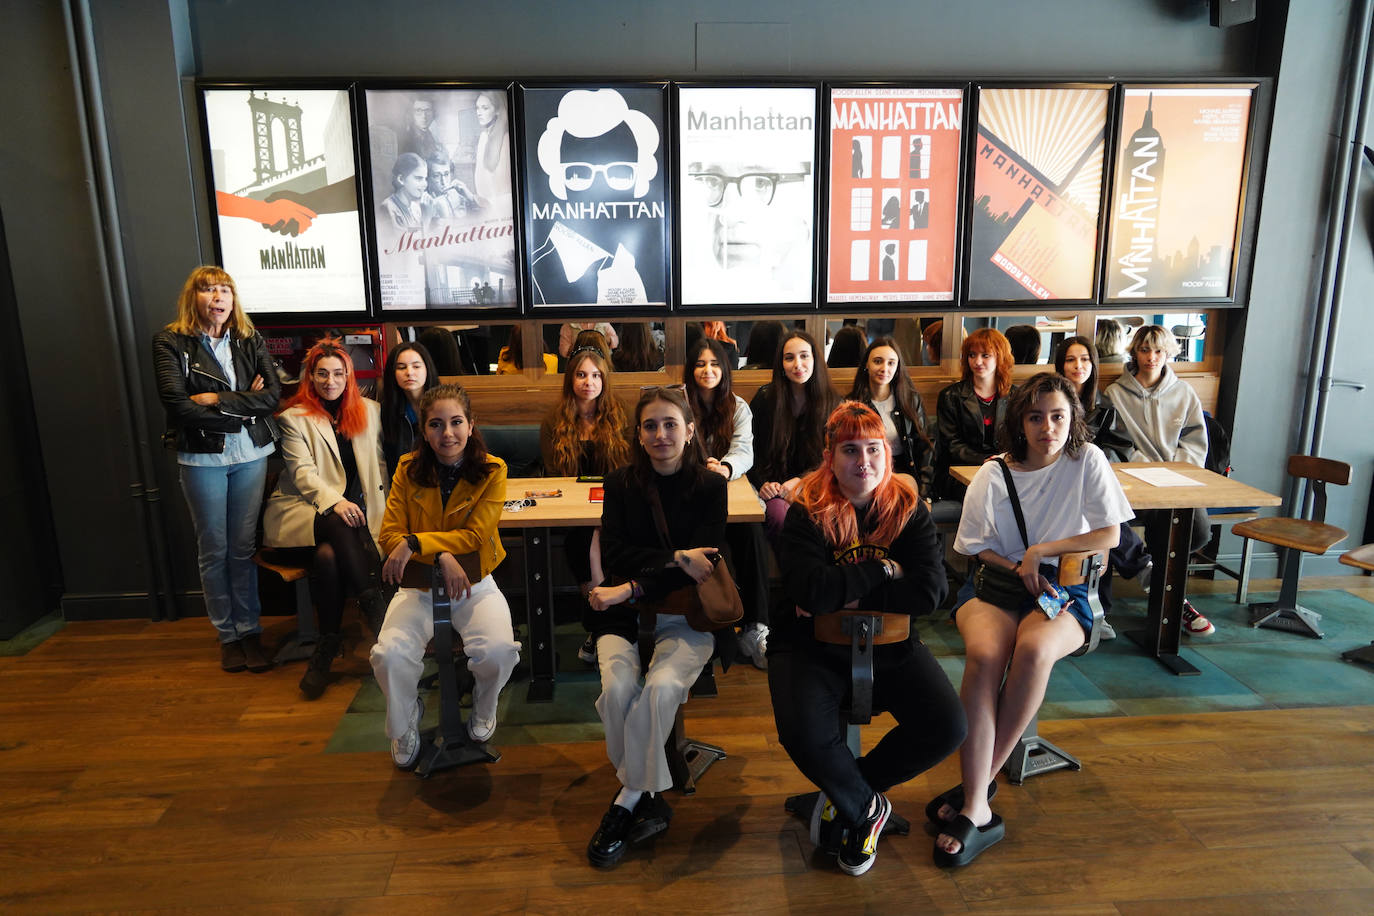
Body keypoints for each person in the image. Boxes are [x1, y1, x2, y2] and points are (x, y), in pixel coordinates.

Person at [935, 373, 1132, 867]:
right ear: (1019, 422)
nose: (1049, 427)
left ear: (1073, 419)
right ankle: (977, 796)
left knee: (1034, 649)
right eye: (1036, 417)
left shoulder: (1087, 460)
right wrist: (1019, 566)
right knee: (983, 655)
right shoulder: (993, 474)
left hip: (1065, 589)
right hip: (996, 587)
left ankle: (975, 797)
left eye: (1059, 416)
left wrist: (1042, 552)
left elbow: (1110, 533)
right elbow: (973, 549)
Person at [770, 402, 965, 876]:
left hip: (891, 643)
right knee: (802, 733)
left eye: (873, 449)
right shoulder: (806, 511)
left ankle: (851, 793)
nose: (863, 462)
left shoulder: (907, 510)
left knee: (947, 725)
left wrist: (843, 590)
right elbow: (809, 592)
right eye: (850, 450)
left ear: (888, 452)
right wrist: (882, 570)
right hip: (809, 644)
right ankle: (867, 810)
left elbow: (930, 592)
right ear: (830, 456)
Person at [583, 387, 726, 868]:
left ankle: (627, 798)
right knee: (619, 688)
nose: (661, 434)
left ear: (689, 431)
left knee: (662, 688)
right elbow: (617, 553)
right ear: (638, 435)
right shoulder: (621, 483)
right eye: (650, 426)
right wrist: (673, 559)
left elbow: (702, 567)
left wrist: (635, 584)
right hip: (624, 615)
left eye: (670, 424)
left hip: (687, 611)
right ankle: (642, 788)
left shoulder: (711, 488)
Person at [369, 384, 520, 769]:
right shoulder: (406, 468)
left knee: (499, 652)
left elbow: (475, 535)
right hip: (418, 586)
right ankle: (404, 722)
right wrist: (442, 555)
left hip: (475, 583)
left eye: (456, 423)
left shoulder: (493, 469)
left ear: (471, 425)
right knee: (389, 655)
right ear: (423, 429)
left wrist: (418, 543)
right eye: (436, 424)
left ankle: (485, 709)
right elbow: (389, 535)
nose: (447, 434)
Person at [152, 266, 281, 672]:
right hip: (201, 457)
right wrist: (240, 406)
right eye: (208, 289)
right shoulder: (170, 342)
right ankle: (228, 636)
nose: (218, 297)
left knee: (242, 549)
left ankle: (251, 630)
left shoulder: (249, 338)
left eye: (224, 289)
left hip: (251, 456)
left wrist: (217, 399)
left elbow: (273, 397)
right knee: (214, 550)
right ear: (194, 297)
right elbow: (178, 404)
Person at [262, 340, 387, 699]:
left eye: (337, 373)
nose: (330, 381)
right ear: (311, 378)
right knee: (339, 520)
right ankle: (375, 610)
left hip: (350, 522)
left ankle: (326, 649)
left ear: (348, 376)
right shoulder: (294, 418)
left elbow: (378, 471)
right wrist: (337, 503)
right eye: (322, 374)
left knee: (328, 557)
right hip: (302, 513)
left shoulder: (370, 411)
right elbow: (303, 475)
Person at [1104, 325, 1214, 636]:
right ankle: (1171, 598)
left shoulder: (1184, 393)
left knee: (1196, 531)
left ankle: (1167, 594)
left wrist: (1174, 469)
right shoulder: (1115, 394)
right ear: (1134, 352)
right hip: (1134, 485)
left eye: (1159, 351)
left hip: (1177, 482)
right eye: (1145, 350)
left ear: (1168, 353)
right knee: (1106, 522)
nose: (1151, 358)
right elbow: (1117, 444)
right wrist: (1143, 469)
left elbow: (1195, 440)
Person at [1053, 336, 1151, 635]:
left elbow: (1120, 447)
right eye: (1071, 359)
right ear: (1060, 364)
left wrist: (1094, 461)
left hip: (1089, 486)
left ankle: (1099, 610)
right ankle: (1140, 564)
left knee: (1099, 520)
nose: (1078, 366)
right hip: (1053, 483)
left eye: (1084, 359)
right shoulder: (1048, 396)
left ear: (1093, 365)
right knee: (1103, 518)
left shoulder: (1104, 405)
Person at [542, 346, 632, 662]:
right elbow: (555, 474)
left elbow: (626, 469)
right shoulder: (555, 420)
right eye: (581, 375)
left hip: (614, 505)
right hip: (572, 508)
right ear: (571, 380)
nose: (588, 382)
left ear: (604, 379)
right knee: (581, 541)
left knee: (602, 538)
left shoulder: (619, 414)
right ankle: (601, 625)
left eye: (595, 375)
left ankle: (599, 627)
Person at [684, 337, 769, 668]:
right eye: (700, 364)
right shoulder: (677, 402)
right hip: (685, 495)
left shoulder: (738, 407)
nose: (707, 370)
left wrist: (725, 469)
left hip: (726, 489)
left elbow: (744, 449)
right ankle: (703, 624)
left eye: (715, 364)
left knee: (750, 531)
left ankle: (755, 626)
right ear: (691, 370)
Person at [748, 330, 839, 540]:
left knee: (824, 518)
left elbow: (835, 458)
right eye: (789, 358)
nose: (798, 364)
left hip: (818, 487)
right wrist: (763, 483)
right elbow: (751, 452)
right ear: (781, 364)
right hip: (776, 490)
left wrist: (801, 482)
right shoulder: (765, 399)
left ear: (816, 359)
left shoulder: (833, 403)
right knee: (780, 517)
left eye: (804, 356)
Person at [933, 328, 1016, 500]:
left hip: (1004, 469)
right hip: (958, 472)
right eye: (972, 355)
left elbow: (1019, 439)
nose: (977, 361)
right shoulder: (951, 396)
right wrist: (987, 460)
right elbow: (952, 445)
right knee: (985, 493)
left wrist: (1001, 461)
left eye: (985, 355)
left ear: (1000, 358)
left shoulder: (1016, 397)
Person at [847, 337, 933, 498]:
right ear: (867, 364)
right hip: (867, 473)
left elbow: (925, 446)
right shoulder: (852, 404)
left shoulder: (910, 400)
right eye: (878, 361)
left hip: (904, 472)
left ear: (898, 367)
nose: (884, 368)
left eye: (891, 363)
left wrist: (925, 490)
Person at [379, 340, 439, 473]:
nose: (409, 372)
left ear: (427, 369)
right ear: (392, 373)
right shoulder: (386, 411)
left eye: (416, 366)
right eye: (401, 367)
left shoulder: (445, 406)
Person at [472, 90, 512, 212]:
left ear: (497, 111)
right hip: (485, 206)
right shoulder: (484, 137)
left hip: (500, 208)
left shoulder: (505, 139)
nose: (479, 113)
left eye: (485, 108)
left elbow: (505, 189)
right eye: (477, 108)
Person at [380, 153, 435, 232]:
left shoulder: (416, 208)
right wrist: (426, 217)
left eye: (425, 179)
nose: (425, 184)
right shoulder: (388, 208)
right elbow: (405, 240)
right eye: (418, 178)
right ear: (401, 179)